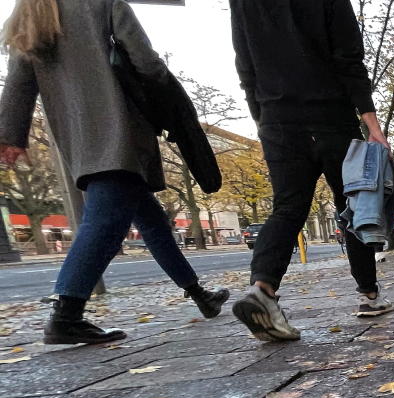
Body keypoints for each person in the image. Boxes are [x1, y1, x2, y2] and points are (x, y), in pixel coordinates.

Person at [0, 0, 229, 345]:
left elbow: (19, 82)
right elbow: (147, 63)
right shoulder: (101, 3)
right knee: (105, 222)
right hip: (119, 128)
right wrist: (166, 104)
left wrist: (11, 137)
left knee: (152, 222)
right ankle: (67, 314)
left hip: (77, 137)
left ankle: (200, 295)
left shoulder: (30, 13)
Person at [229, 0, 394, 342]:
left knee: (288, 208)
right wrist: (372, 126)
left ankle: (263, 288)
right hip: (332, 117)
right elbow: (349, 61)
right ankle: (369, 295)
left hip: (277, 120)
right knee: (353, 205)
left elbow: (245, 64)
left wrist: (261, 118)